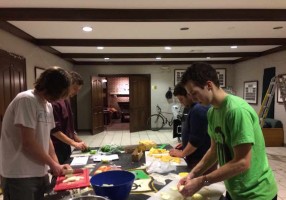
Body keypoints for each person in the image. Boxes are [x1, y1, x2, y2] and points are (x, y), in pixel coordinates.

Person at [178, 62, 277, 200]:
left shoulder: (236, 111)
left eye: (194, 93)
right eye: (190, 94)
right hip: (234, 190)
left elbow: (242, 162)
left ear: (209, 85)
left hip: (256, 194)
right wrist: (192, 175)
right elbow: (214, 150)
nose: (193, 98)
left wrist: (202, 181)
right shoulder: (212, 113)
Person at [0, 66, 72, 200]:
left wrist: (57, 165)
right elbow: (28, 142)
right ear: (50, 88)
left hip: (40, 171)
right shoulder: (26, 100)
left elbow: (47, 137)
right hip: (20, 174)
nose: (58, 99)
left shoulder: (47, 105)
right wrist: (52, 164)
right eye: (58, 94)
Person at [170, 83, 216, 173]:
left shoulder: (198, 109)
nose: (181, 102)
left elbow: (196, 140)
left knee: (200, 183)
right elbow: (198, 131)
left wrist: (182, 153)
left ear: (188, 95)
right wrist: (185, 144)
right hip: (199, 156)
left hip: (200, 158)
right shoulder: (195, 107)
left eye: (181, 99)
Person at [50, 71, 88, 164]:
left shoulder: (66, 100)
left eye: (78, 90)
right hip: (56, 145)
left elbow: (68, 124)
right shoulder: (54, 103)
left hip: (65, 144)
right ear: (66, 85)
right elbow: (54, 130)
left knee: (67, 168)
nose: (76, 93)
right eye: (75, 89)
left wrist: (75, 138)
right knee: (59, 172)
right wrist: (73, 143)